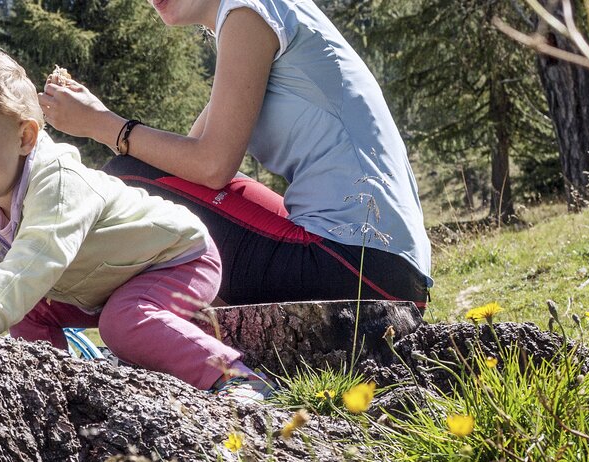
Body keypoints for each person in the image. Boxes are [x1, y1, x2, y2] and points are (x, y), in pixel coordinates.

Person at [0, 49, 264, 395]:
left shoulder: (59, 183)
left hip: (174, 258)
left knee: (124, 322)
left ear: (24, 137)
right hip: (100, 282)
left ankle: (234, 380)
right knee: (29, 312)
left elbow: (37, 256)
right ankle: (52, 386)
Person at [39, 0, 432, 309]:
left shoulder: (248, 12)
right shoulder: (254, 14)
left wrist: (103, 124)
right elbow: (184, 167)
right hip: (388, 269)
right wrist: (100, 119)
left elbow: (211, 166)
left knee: (129, 180)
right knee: (142, 180)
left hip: (354, 266)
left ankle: (200, 349)